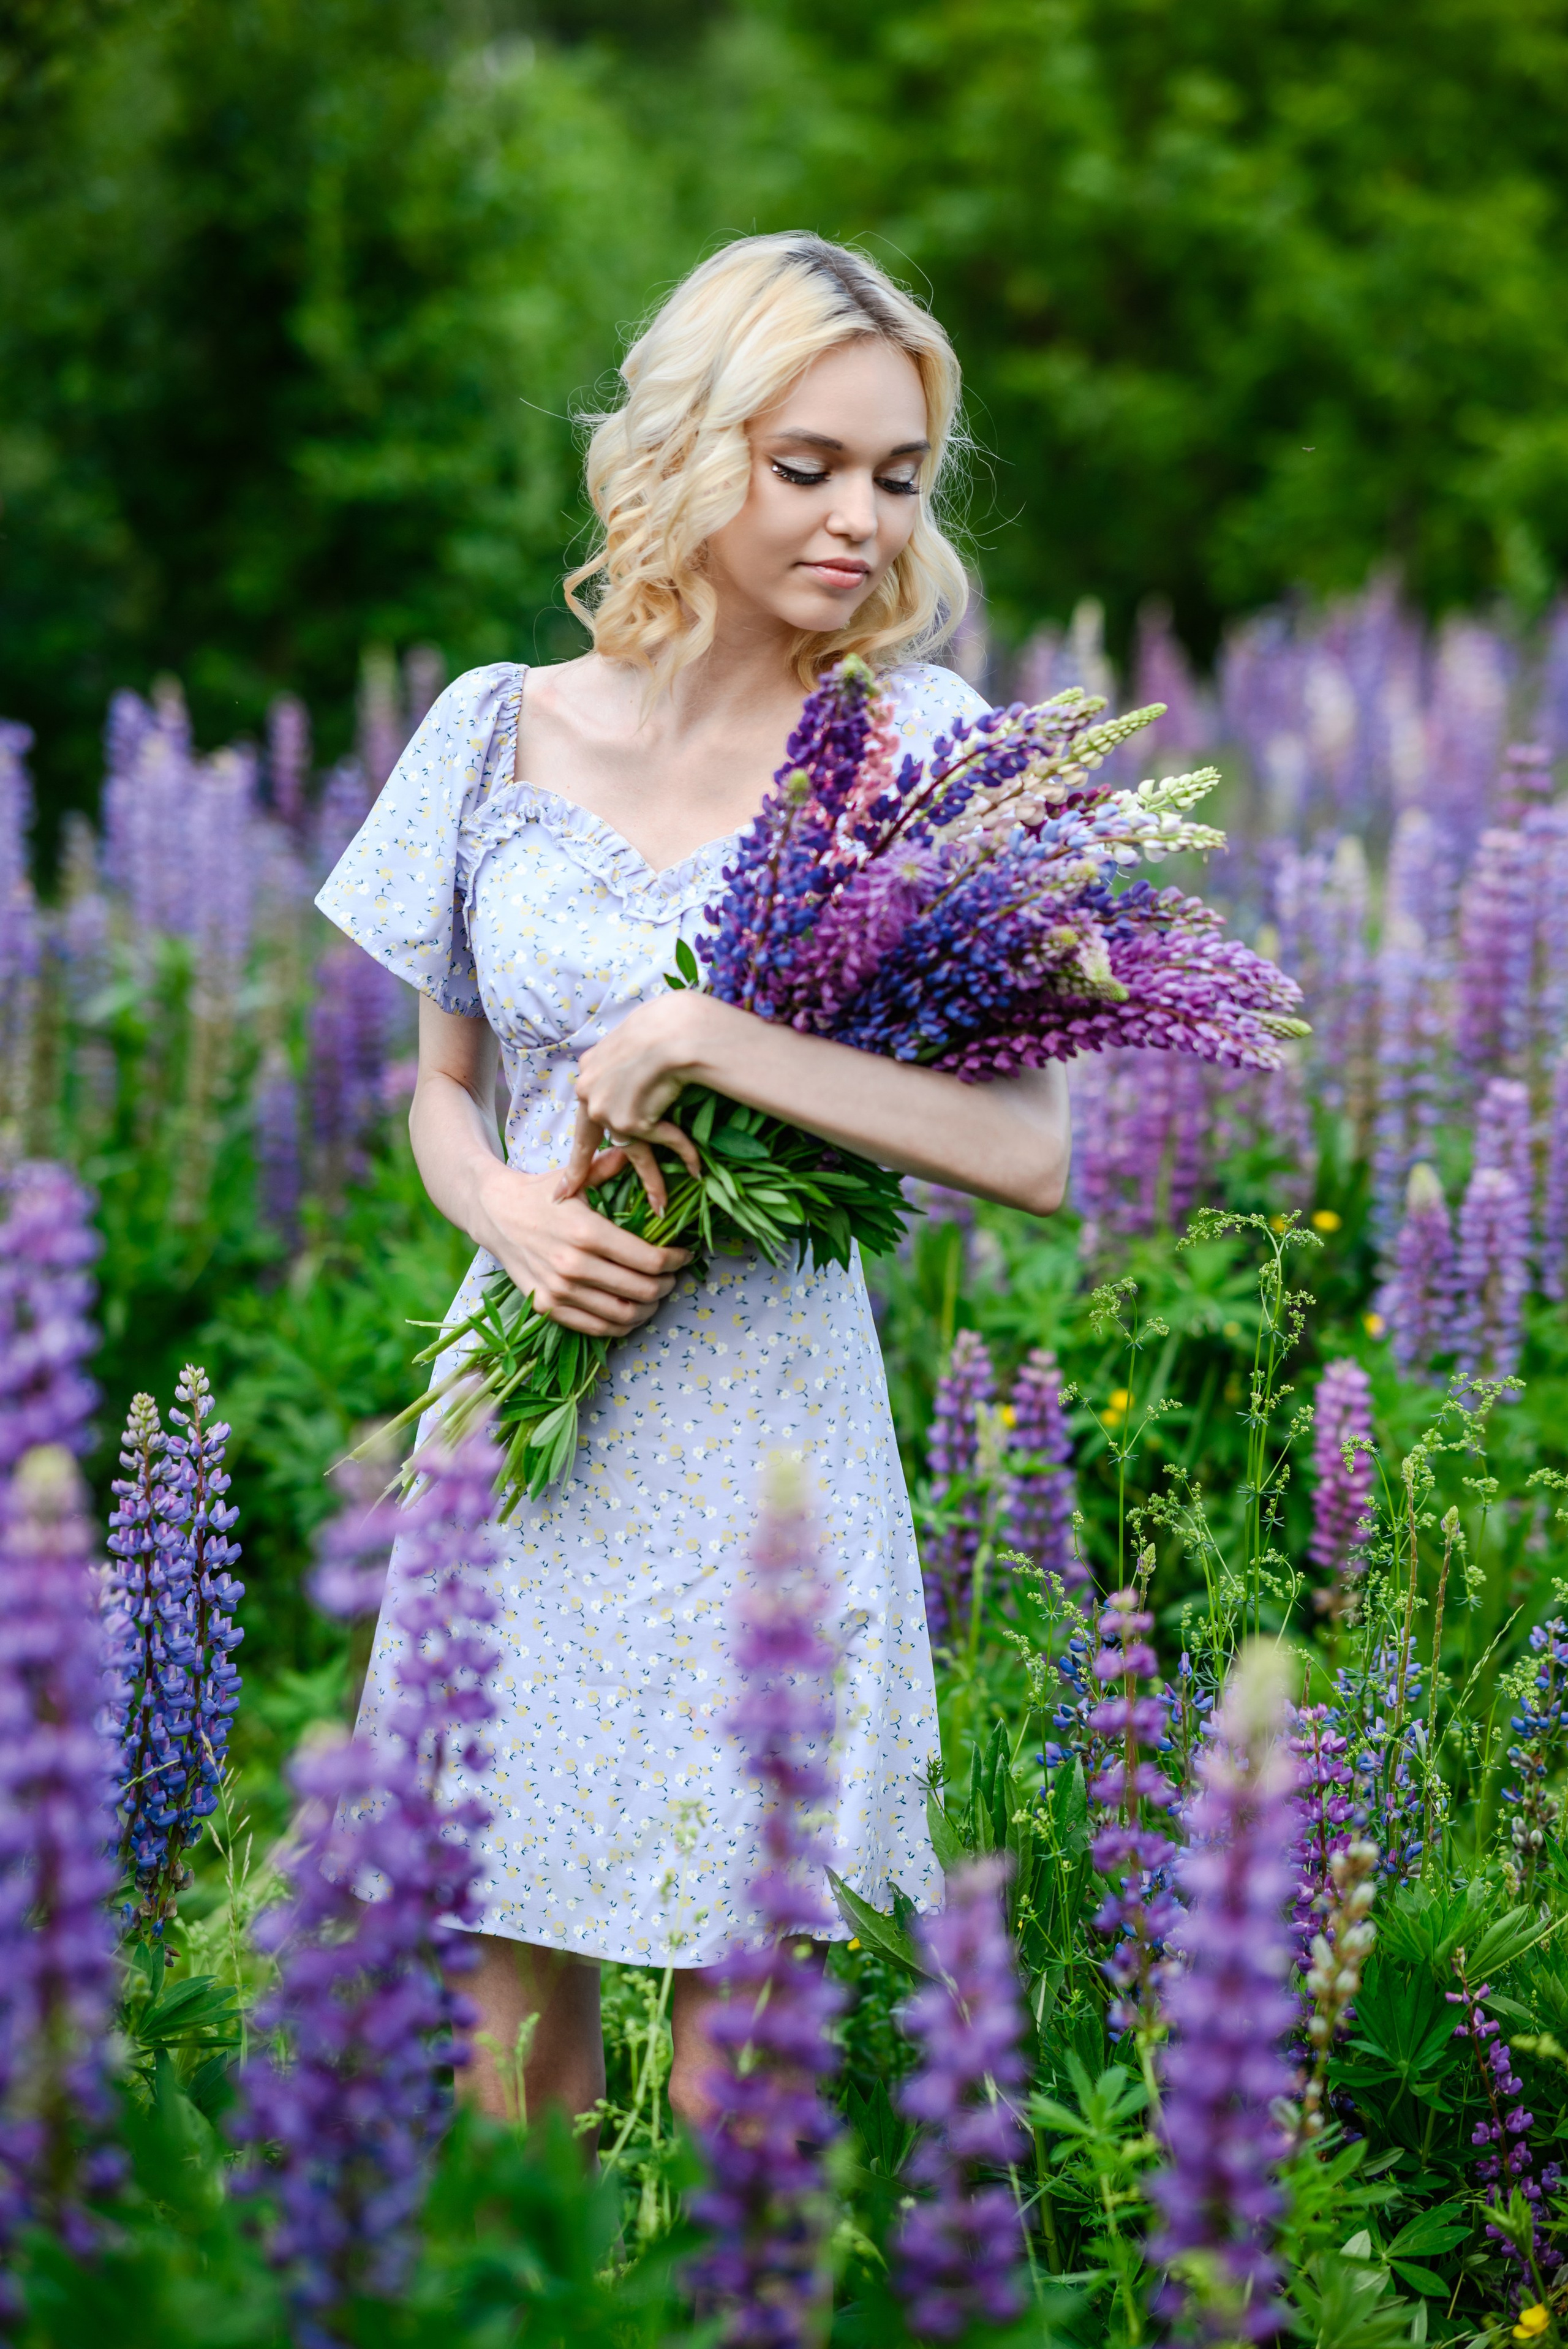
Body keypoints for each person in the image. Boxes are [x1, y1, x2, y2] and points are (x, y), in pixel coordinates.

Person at [316, 232, 1071, 2135]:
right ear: (688, 447)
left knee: (751, 2046)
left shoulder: (920, 752)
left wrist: (716, 1040)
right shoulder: (496, 722)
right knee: (505, 2033)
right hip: (529, 1421)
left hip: (771, 1441)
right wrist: (508, 1215)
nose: (860, 520)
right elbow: (441, 1090)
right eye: (806, 465)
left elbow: (1037, 1148)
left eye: (898, 475)